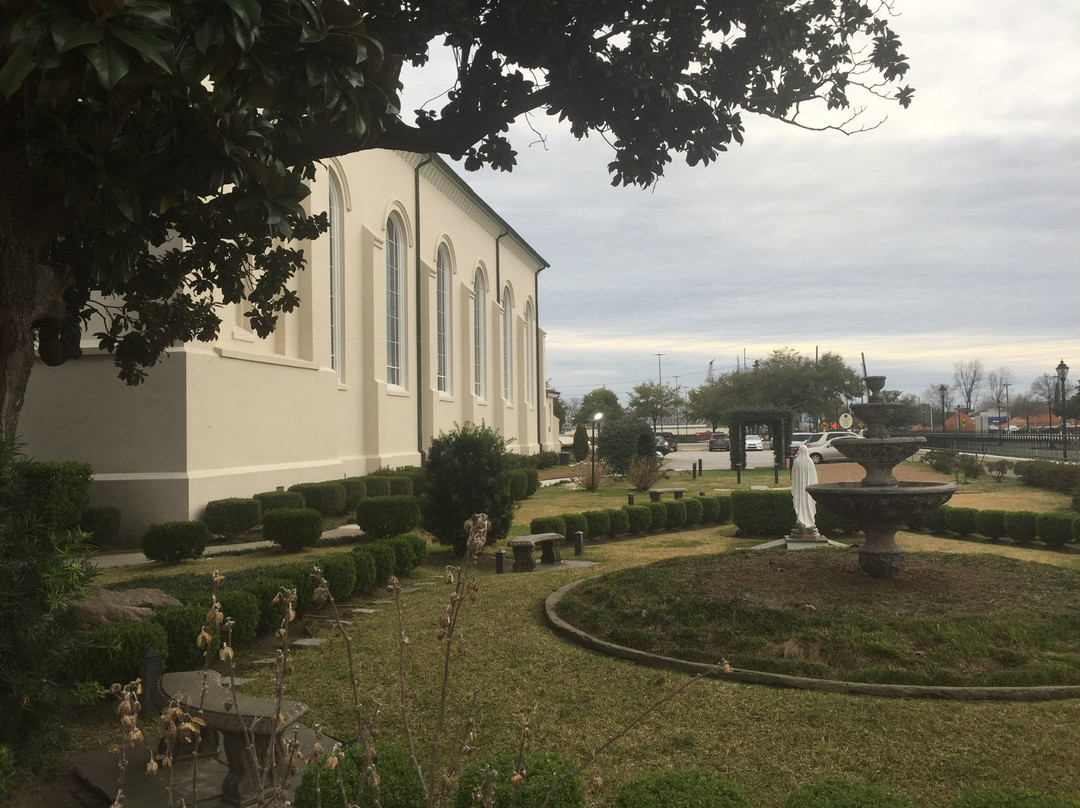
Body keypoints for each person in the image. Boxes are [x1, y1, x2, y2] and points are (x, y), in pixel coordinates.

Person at [791, 443, 819, 534]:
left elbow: (793, 476)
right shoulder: (810, 461)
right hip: (808, 490)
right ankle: (809, 523)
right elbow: (814, 476)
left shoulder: (797, 462)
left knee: (800, 504)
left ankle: (801, 521)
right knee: (808, 504)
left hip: (800, 490)